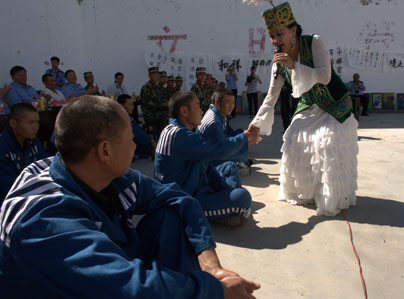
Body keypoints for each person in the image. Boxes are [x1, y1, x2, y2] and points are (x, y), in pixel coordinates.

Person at [0, 95, 260, 298]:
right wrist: (213, 290)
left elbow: (181, 199)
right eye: (129, 140)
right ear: (105, 151)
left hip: (107, 273)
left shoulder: (106, 174)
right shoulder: (41, 217)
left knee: (170, 215)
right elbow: (124, 287)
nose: (136, 146)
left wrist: (211, 267)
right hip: (72, 289)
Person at [250, 2, 358, 216]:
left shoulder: (314, 43)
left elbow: (325, 75)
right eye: (272, 36)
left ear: (293, 30)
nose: (275, 41)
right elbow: (271, 96)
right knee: (292, 138)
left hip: (335, 103)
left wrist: (294, 66)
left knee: (327, 141)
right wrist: (255, 125)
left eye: (279, 34)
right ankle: (307, 192)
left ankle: (331, 197)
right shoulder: (277, 62)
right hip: (310, 105)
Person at [154, 91, 261, 227]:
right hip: (182, 202)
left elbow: (207, 164)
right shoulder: (177, 134)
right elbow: (219, 149)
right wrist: (244, 138)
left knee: (229, 167)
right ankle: (223, 211)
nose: (201, 110)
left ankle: (225, 209)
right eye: (197, 106)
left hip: (194, 186)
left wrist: (225, 190)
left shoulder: (182, 131)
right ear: (184, 111)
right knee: (242, 197)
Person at [198, 89, 253, 177]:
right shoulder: (214, 122)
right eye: (227, 102)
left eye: (233, 103)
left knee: (241, 153)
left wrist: (246, 133)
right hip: (210, 160)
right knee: (243, 167)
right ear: (217, 103)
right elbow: (222, 150)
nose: (231, 106)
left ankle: (241, 161)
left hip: (216, 151)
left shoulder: (219, 115)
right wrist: (244, 138)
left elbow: (230, 132)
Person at [0, 103, 47, 201]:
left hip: (36, 194)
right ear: (13, 123)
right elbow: (8, 187)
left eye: (37, 122)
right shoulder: (2, 147)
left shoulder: (35, 141)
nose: (35, 127)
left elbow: (46, 168)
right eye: (31, 123)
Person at [117, 94, 156, 159]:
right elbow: (136, 133)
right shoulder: (119, 119)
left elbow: (138, 130)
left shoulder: (128, 117)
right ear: (121, 106)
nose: (133, 107)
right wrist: (151, 140)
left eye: (132, 104)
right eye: (130, 104)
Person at [140, 66, 169, 140]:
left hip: (158, 111)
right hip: (150, 113)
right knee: (165, 116)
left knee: (172, 113)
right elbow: (147, 103)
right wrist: (161, 104)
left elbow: (162, 99)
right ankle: (162, 139)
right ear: (149, 76)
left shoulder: (158, 87)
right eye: (154, 74)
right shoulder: (146, 87)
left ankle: (170, 137)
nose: (157, 75)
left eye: (157, 74)